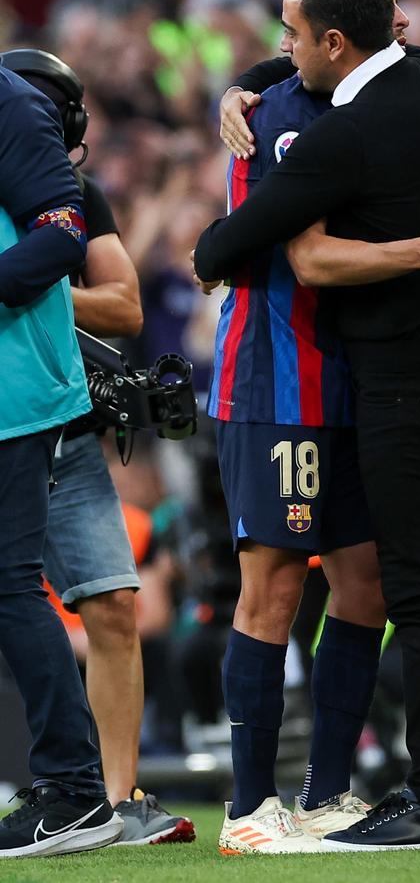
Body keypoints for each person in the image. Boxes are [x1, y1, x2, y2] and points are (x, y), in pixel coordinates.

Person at [194, 0, 420, 851]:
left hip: (396, 386)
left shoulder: (334, 137)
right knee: (347, 586)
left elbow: (239, 251)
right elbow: (336, 54)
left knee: (404, 590)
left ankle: (417, 799)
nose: (282, 47)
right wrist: (247, 81)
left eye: (293, 33)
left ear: (337, 40)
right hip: (395, 375)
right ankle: (259, 804)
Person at [0, 48, 196, 846]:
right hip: (33, 404)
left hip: (58, 418)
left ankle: (110, 799)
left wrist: (39, 290)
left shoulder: (70, 194)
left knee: (111, 603)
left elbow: (122, 304)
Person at [0, 57, 123, 857]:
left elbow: (63, 230)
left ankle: (77, 789)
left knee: (9, 581)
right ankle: (73, 786)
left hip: (13, 385)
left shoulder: (9, 105)